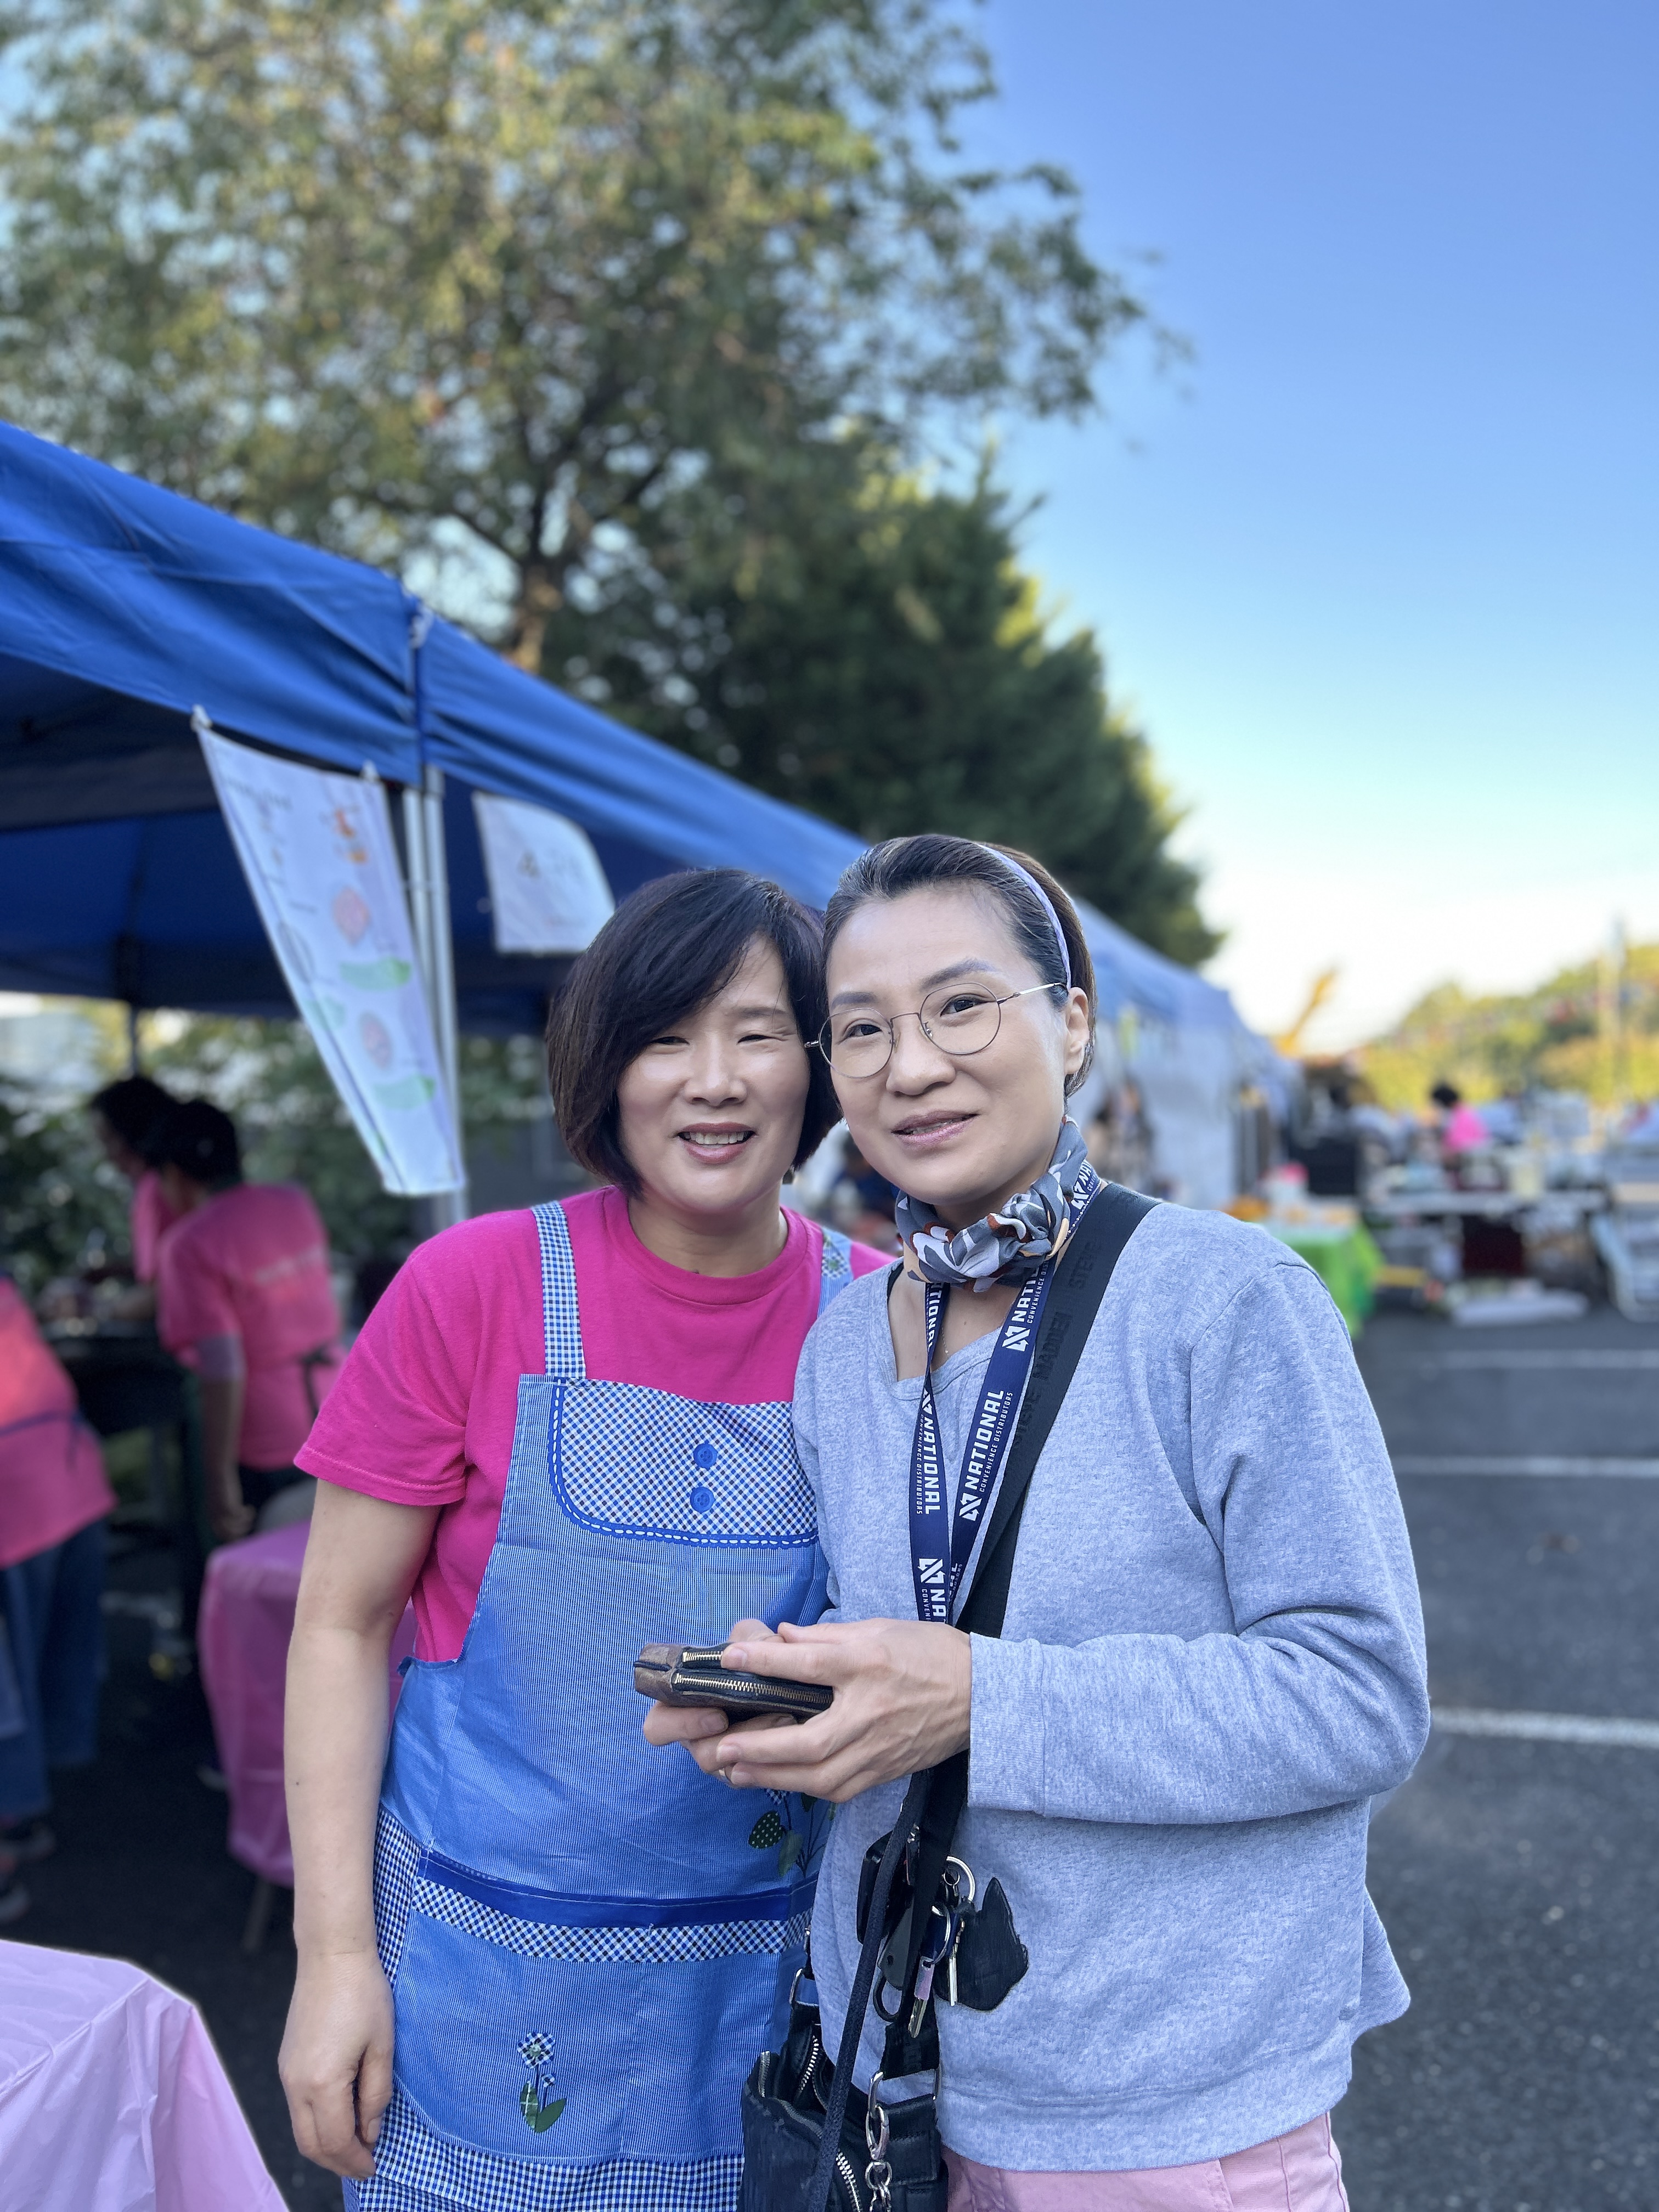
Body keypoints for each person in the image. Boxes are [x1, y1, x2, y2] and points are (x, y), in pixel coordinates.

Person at [654, 835, 1429, 2208]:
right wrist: (794, 1695)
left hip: (1171, 2102)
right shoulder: (844, 1345)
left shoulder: (1224, 1298)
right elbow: (917, 1638)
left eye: (962, 1006)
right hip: (899, 2079)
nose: (911, 1065)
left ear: (1071, 1025)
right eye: (862, 1030)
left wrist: (976, 1701)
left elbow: (1360, 1696)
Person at [278, 869, 890, 2209]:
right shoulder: (471, 1285)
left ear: (819, 1065)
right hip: (474, 1989)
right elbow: (339, 1626)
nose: (713, 1081)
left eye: (757, 1033)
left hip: (762, 2004)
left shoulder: (880, 1324)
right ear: (606, 1068)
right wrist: (334, 1963)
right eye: (665, 1037)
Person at [149, 1100, 342, 1541]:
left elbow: (223, 1369)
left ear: (173, 1174)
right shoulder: (294, 1203)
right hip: (337, 1407)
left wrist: (218, 1480)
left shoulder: (189, 1244)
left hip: (268, 1437)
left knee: (266, 1566)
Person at [0, 1269, 116, 1921]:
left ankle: (9, 1837)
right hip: (68, 1472)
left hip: (15, 1493)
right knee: (42, 1658)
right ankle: (23, 1817)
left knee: (10, 1677)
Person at [87, 1073, 181, 1311]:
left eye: (108, 1141)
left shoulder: (156, 1191)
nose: (107, 1155)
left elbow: (161, 1293)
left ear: (132, 1133)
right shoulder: (179, 1181)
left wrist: (97, 1312)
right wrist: (118, 1271)